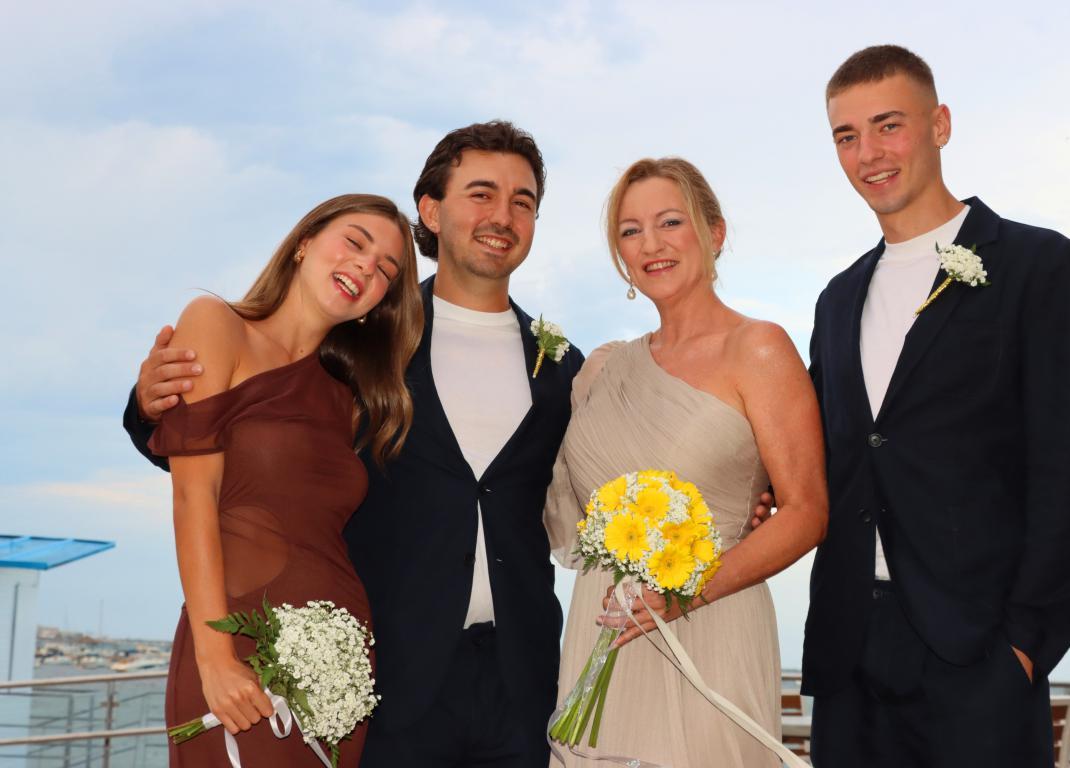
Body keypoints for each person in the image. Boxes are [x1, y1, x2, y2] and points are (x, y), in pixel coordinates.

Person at [125, 121, 585, 767]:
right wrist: (148, 403)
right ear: (432, 210)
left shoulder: (563, 367)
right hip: (391, 681)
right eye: (481, 193)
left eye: (522, 201)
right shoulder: (362, 349)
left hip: (521, 685)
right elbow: (252, 438)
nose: (502, 215)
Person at [797, 45, 1070, 767]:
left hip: (979, 660)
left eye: (889, 125)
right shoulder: (837, 300)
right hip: (850, 660)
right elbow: (827, 455)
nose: (868, 154)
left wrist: (1024, 645)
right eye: (846, 136)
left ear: (939, 124)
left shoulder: (1038, 266)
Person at [544, 157, 828, 767]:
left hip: (711, 628)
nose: (651, 244)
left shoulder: (759, 349)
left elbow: (806, 511)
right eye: (630, 231)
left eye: (670, 222)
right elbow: (552, 504)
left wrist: (682, 596)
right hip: (600, 630)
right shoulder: (601, 370)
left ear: (714, 233)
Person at [140, 194, 424, 766]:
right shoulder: (216, 324)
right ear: (303, 243)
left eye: (386, 271)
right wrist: (215, 658)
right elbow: (193, 497)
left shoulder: (353, 397)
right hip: (235, 650)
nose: (366, 266)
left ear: (379, 303)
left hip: (337, 671)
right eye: (355, 242)